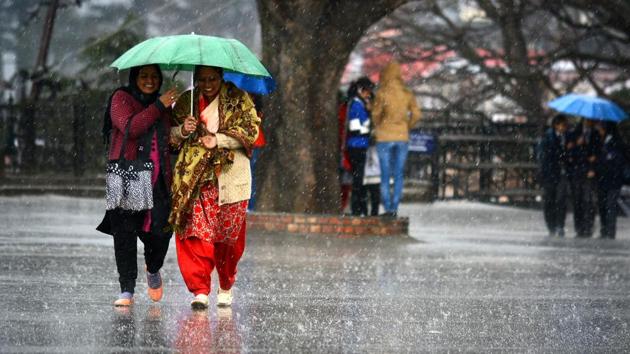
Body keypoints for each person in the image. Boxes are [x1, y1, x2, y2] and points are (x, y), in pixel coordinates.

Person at [169, 65, 260, 309]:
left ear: (221, 77)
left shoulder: (239, 99)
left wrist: (218, 139)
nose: (207, 84)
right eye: (202, 79)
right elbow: (169, 136)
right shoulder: (186, 101)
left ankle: (226, 283)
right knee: (195, 231)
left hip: (230, 177)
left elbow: (251, 131)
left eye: (212, 79)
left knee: (228, 238)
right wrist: (182, 130)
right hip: (195, 179)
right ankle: (200, 290)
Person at [96, 64, 180, 306]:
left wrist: (183, 130)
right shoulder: (121, 98)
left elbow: (172, 144)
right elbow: (131, 127)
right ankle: (127, 289)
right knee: (125, 233)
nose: (150, 80)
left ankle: (153, 268)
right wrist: (159, 106)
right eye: (144, 76)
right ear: (135, 77)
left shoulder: (163, 106)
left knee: (161, 231)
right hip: (126, 172)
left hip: (158, 179)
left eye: (154, 76)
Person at [372, 61, 421, 217]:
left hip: (384, 136)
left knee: (385, 175)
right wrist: (407, 126)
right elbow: (417, 114)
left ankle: (387, 208)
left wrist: (379, 125)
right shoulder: (407, 93)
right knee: (398, 174)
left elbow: (375, 114)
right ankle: (395, 206)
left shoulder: (382, 93)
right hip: (402, 136)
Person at [566, 118, 600, 238]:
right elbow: (569, 154)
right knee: (578, 201)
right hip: (577, 171)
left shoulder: (595, 134)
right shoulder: (574, 133)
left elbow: (598, 151)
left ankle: (588, 227)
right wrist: (576, 145)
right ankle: (579, 227)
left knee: (588, 201)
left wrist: (593, 163)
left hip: (589, 171)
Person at [346, 77, 375, 216]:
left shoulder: (359, 104)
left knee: (359, 179)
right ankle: (357, 208)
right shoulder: (356, 105)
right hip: (357, 145)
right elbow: (355, 128)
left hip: (359, 145)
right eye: (367, 92)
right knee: (358, 179)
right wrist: (368, 128)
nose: (369, 95)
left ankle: (359, 207)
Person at [594, 121, 626, 239]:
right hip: (603, 179)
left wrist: (606, 158)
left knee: (610, 205)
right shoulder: (601, 141)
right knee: (602, 205)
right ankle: (604, 229)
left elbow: (618, 160)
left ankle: (610, 231)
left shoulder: (616, 142)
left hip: (613, 179)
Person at [539, 114, 569, 237]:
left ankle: (560, 224)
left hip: (563, 173)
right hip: (550, 173)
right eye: (563, 125)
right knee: (550, 200)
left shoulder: (567, 137)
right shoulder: (547, 138)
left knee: (561, 200)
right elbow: (546, 156)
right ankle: (551, 225)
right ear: (556, 125)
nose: (565, 128)